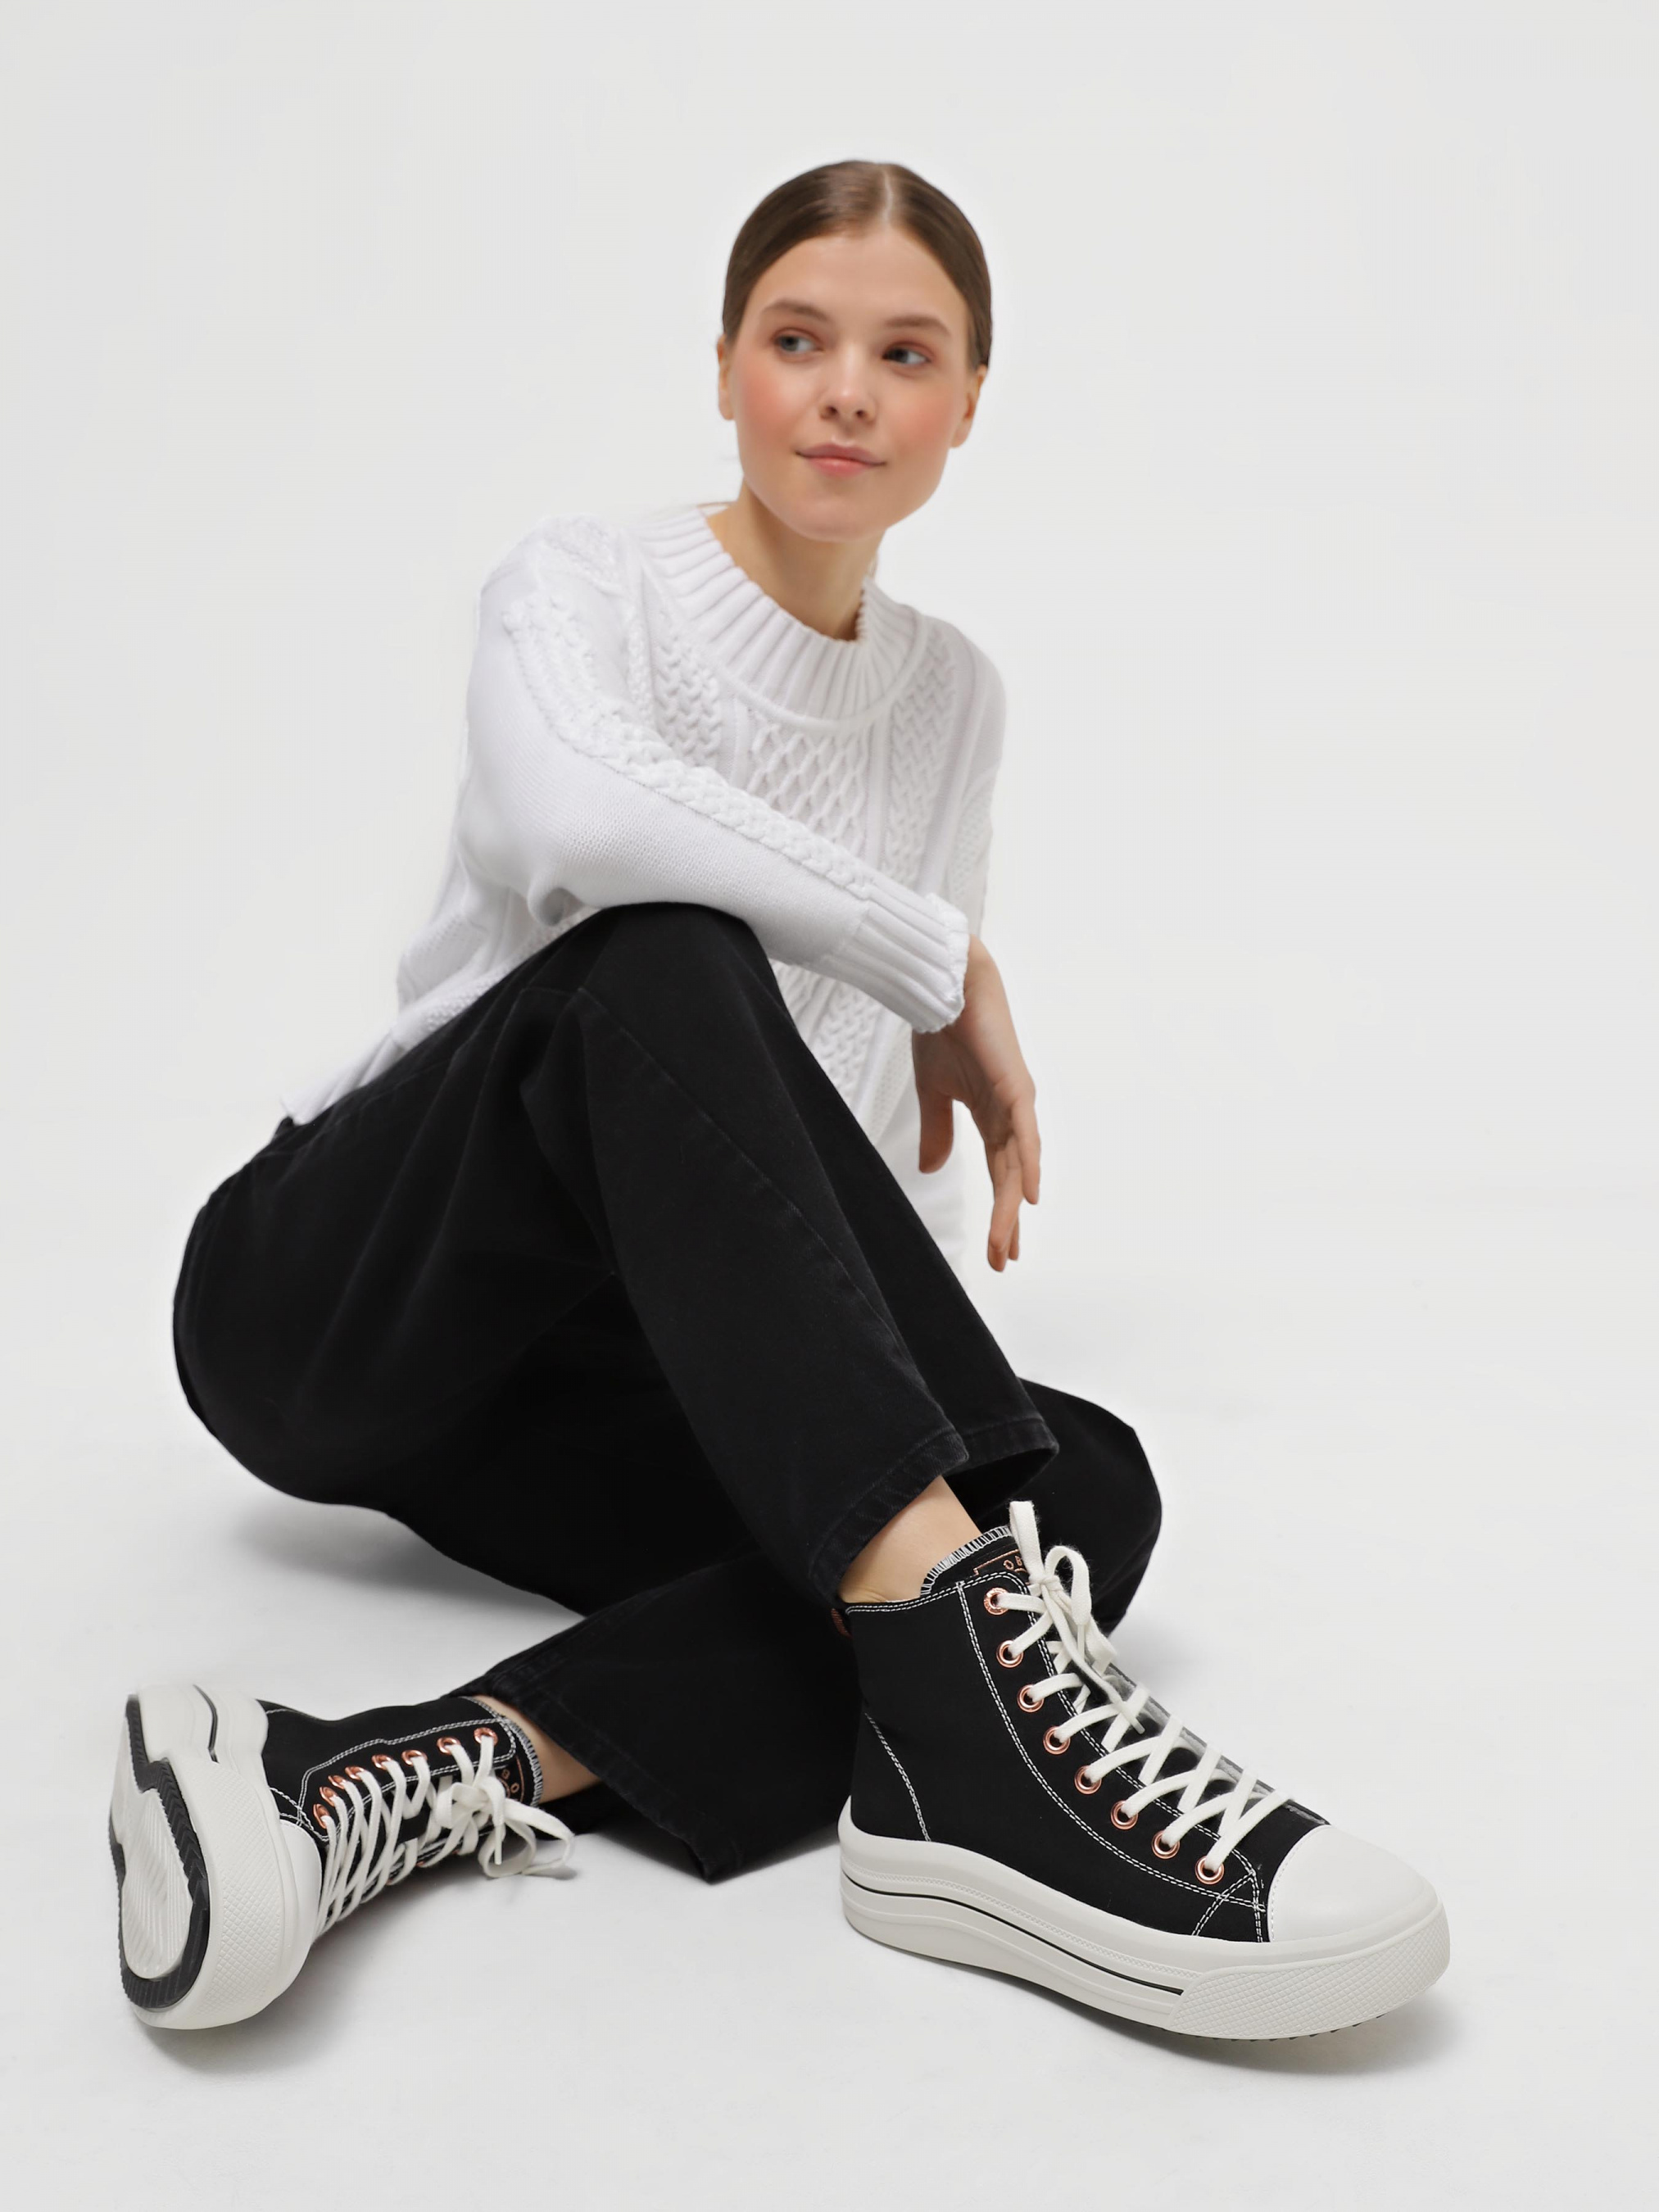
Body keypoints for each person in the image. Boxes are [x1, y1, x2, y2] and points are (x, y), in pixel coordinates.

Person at [110, 160, 1448, 2043]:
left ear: (966, 403)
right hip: (345, 1297)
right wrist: (937, 955)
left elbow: (828, 1141)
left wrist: (902, 1434)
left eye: (903, 355)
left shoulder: (951, 700)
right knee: (660, 959)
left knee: (1066, 1489)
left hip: (589, 1390)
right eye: (797, 339)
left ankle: (384, 1776)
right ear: (726, 366)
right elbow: (581, 827)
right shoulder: (581, 585)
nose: (843, 393)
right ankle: (984, 1757)